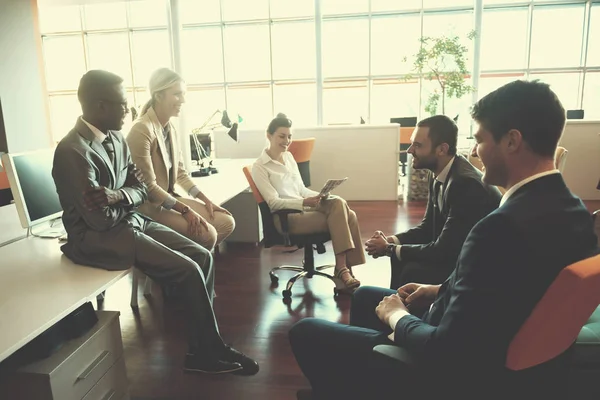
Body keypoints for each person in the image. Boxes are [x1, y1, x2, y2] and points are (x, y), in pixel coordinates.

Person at [288, 80, 598, 400]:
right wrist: (437, 291)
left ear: (512, 141)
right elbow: (513, 288)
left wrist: (398, 316)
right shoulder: (575, 213)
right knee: (366, 294)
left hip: (453, 372)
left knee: (305, 331)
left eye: (479, 140)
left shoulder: (499, 229)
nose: (474, 151)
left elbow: (448, 351)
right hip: (495, 342)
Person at [52, 70, 258, 375]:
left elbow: (139, 188)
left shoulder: (116, 138)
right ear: (99, 107)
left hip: (128, 220)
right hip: (99, 237)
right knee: (188, 269)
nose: (129, 110)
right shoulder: (72, 151)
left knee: (201, 255)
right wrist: (126, 197)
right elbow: (100, 218)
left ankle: (203, 344)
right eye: (122, 105)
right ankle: (206, 350)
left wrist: (118, 196)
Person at [365, 115, 502, 289]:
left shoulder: (465, 184)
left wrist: (389, 248)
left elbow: (444, 250)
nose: (409, 150)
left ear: (442, 149)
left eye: (417, 145)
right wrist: (390, 240)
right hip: (455, 253)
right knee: (401, 259)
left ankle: (405, 311)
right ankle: (394, 308)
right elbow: (428, 227)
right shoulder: (439, 170)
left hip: (476, 269)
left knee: (410, 268)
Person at [251, 113, 365, 293]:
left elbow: (301, 189)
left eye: (289, 136)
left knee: (339, 204)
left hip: (304, 208)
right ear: (269, 135)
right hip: (287, 218)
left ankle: (344, 269)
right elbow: (273, 203)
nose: (286, 141)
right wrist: (305, 202)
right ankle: (343, 270)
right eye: (281, 136)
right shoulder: (259, 167)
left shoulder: (288, 157)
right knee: (345, 213)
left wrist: (319, 196)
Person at [127, 68, 234, 251]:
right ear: (159, 96)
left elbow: (180, 174)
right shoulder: (141, 130)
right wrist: (185, 210)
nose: (183, 100)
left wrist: (205, 200)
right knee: (208, 234)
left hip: (170, 199)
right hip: (151, 206)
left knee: (226, 222)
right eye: (177, 94)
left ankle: (183, 260)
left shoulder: (170, 128)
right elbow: (149, 188)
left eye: (183, 94)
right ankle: (182, 268)